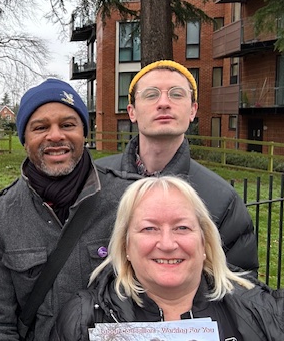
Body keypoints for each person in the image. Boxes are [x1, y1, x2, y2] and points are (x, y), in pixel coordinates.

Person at [34, 176, 284, 341]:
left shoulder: (265, 312)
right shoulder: (85, 316)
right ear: (126, 245)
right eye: (149, 228)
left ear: (204, 242)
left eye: (182, 227)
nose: (167, 244)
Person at [0, 79, 128, 341]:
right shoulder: (0, 217)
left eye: (68, 124)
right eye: (40, 127)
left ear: (85, 131)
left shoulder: (128, 200)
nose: (55, 136)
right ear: (24, 138)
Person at [95, 59, 258, 274]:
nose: (164, 102)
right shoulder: (96, 180)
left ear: (192, 110)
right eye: (151, 94)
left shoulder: (222, 201)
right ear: (132, 112)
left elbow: (237, 284)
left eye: (176, 94)